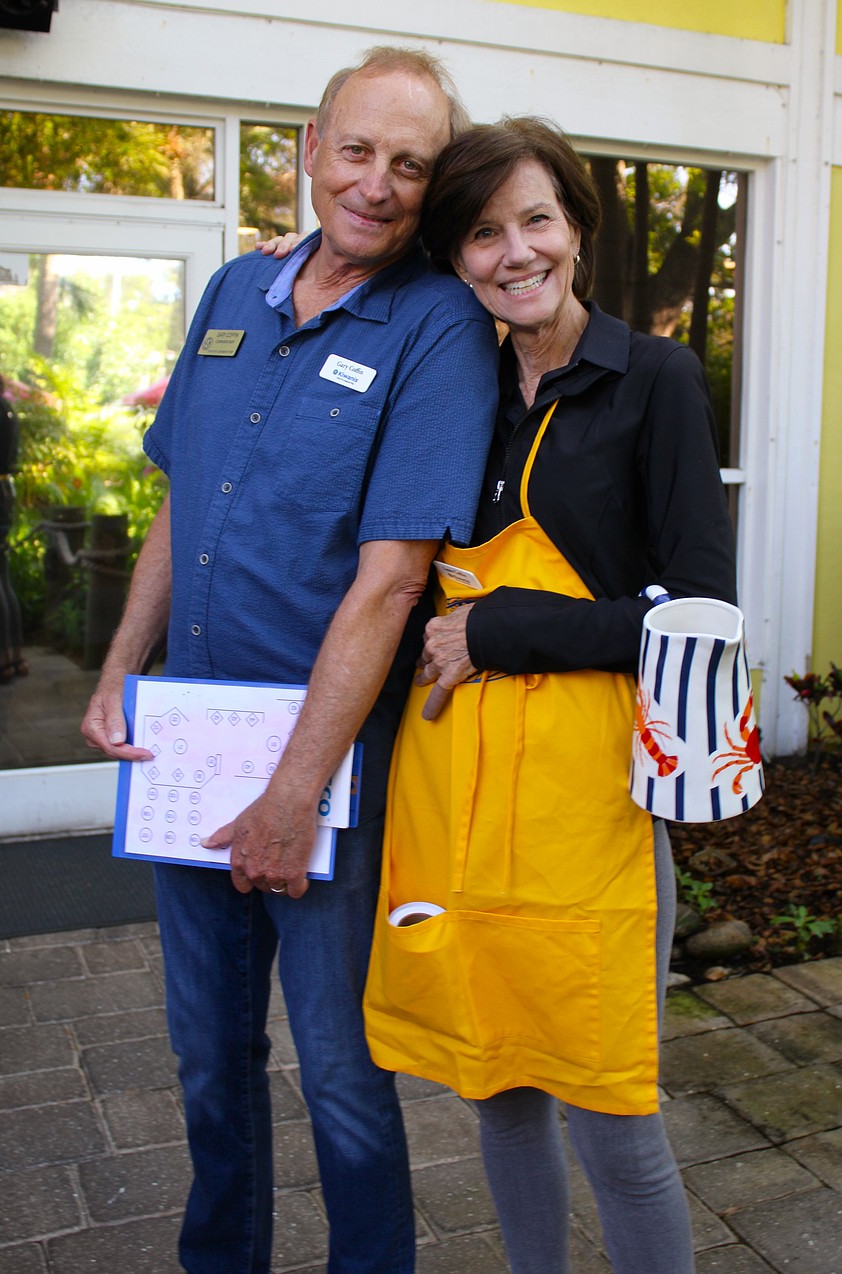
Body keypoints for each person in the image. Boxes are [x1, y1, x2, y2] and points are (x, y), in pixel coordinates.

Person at [80, 47, 500, 1274]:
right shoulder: (233, 290)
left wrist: (291, 792)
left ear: (432, 186)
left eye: (410, 164)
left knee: (340, 1073)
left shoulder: (438, 325)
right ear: (309, 149)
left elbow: (392, 580)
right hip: (189, 747)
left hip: (323, 772)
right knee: (207, 1057)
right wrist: (119, 667)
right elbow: (181, 501)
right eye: (357, 149)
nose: (376, 182)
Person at [359, 118, 738, 1274]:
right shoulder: (451, 382)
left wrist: (497, 627)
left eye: (535, 219)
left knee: (613, 1114)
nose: (514, 251)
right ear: (453, 255)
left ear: (576, 225)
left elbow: (700, 612)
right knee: (497, 1087)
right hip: (453, 787)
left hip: (591, 798)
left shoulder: (654, 379)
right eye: (482, 232)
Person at [0, 362, 28, 685]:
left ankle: (3, 659)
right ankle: (15, 655)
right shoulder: (5, 408)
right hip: (3, 492)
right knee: (2, 577)